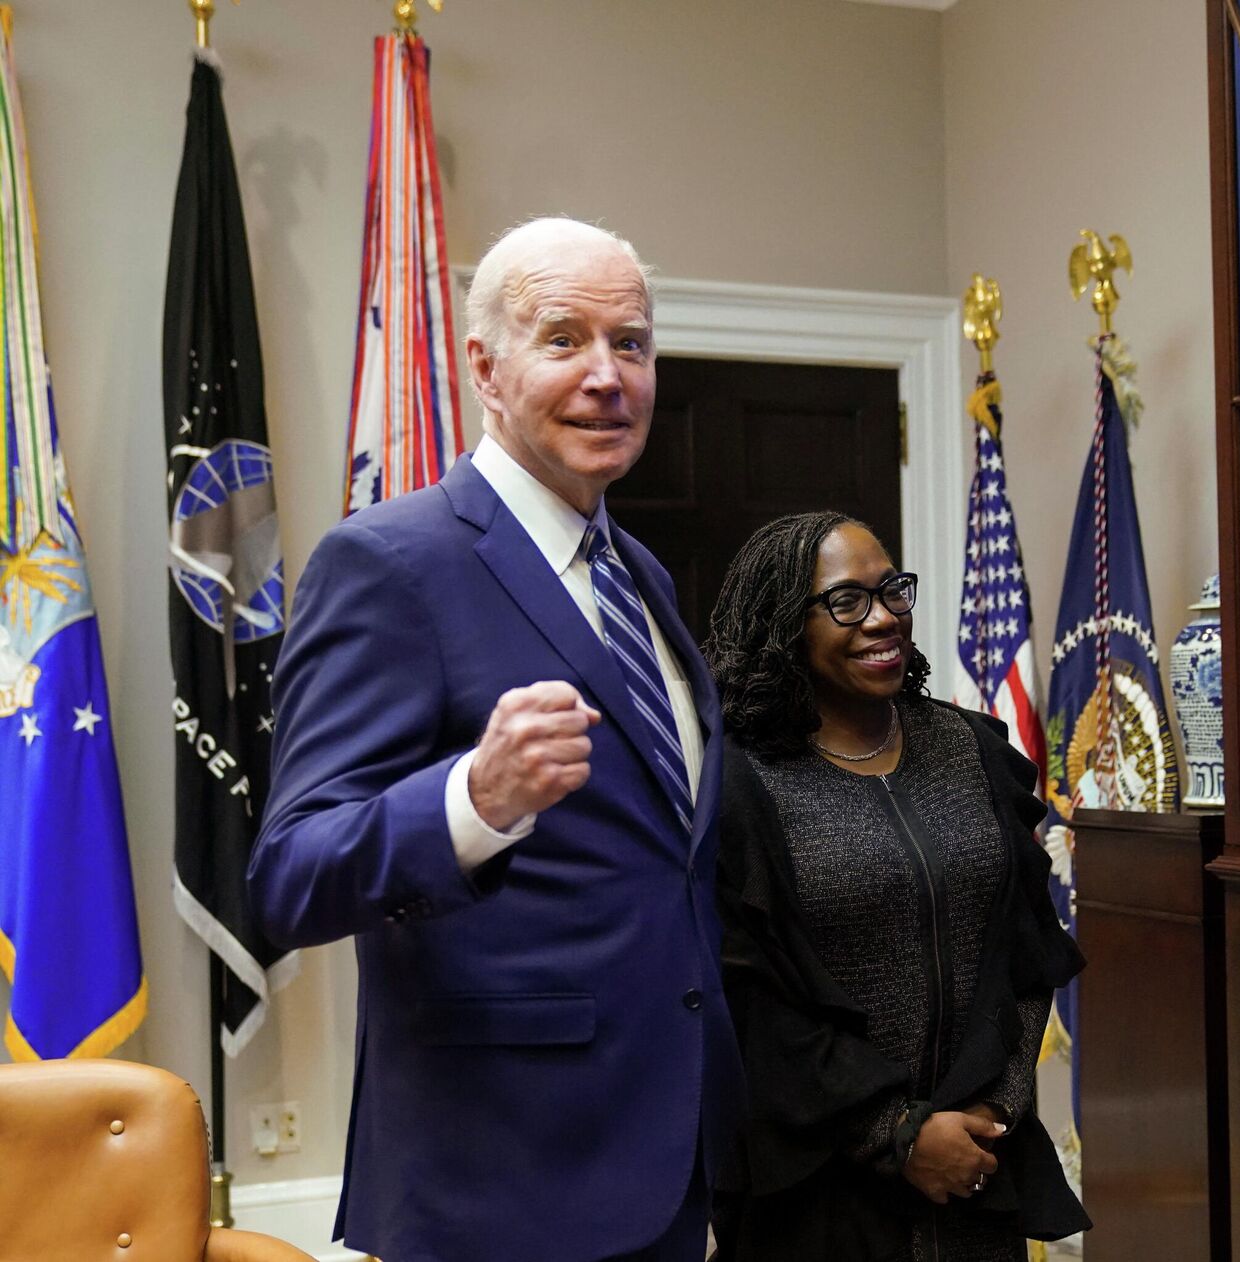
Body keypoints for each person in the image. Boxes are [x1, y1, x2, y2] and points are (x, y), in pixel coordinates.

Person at [248, 217, 742, 1262]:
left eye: (634, 344)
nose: (609, 376)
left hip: (669, 1166)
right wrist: (474, 799)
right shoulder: (388, 561)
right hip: (499, 1184)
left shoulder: (640, 575)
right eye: (564, 339)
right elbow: (290, 875)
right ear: (485, 364)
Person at [703, 512, 1089, 1261]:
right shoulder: (739, 783)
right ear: (784, 623)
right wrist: (898, 1135)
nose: (883, 618)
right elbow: (750, 1007)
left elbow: (1027, 951)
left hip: (975, 1167)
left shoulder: (971, 749)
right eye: (847, 601)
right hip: (817, 1187)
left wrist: (991, 1109)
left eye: (893, 592)